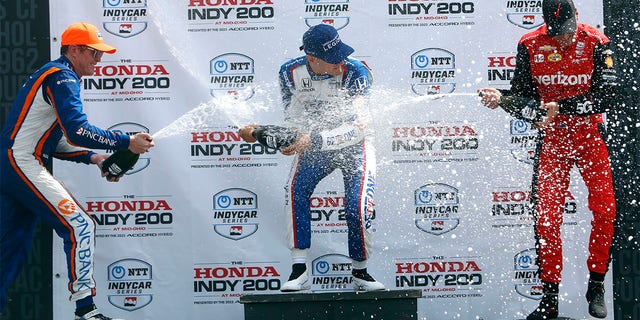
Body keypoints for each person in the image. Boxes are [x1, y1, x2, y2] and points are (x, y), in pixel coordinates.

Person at [0, 22, 154, 320]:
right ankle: (86, 310)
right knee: (81, 226)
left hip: (14, 162)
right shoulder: (62, 76)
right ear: (73, 50)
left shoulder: (53, 73)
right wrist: (127, 141)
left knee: (9, 250)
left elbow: (53, 140)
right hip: (22, 161)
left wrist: (95, 158)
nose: (99, 60)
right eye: (94, 53)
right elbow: (78, 130)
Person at [478, 0, 619, 319]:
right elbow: (523, 98)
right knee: (545, 218)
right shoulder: (529, 44)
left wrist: (563, 107)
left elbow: (609, 97)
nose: (564, 39)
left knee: (605, 209)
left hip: (589, 136)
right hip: (553, 141)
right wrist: (501, 101)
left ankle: (596, 283)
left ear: (578, 18)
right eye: (557, 33)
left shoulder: (598, 42)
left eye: (568, 31)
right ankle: (549, 298)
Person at [239, 24, 385, 292]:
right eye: (333, 59)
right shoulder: (289, 72)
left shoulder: (356, 72)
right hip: (313, 142)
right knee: (295, 190)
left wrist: (313, 139)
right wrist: (287, 138)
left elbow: (359, 127)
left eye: (342, 55)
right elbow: (293, 117)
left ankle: (361, 272)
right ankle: (299, 269)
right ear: (311, 59)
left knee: (356, 205)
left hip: (354, 143)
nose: (340, 63)